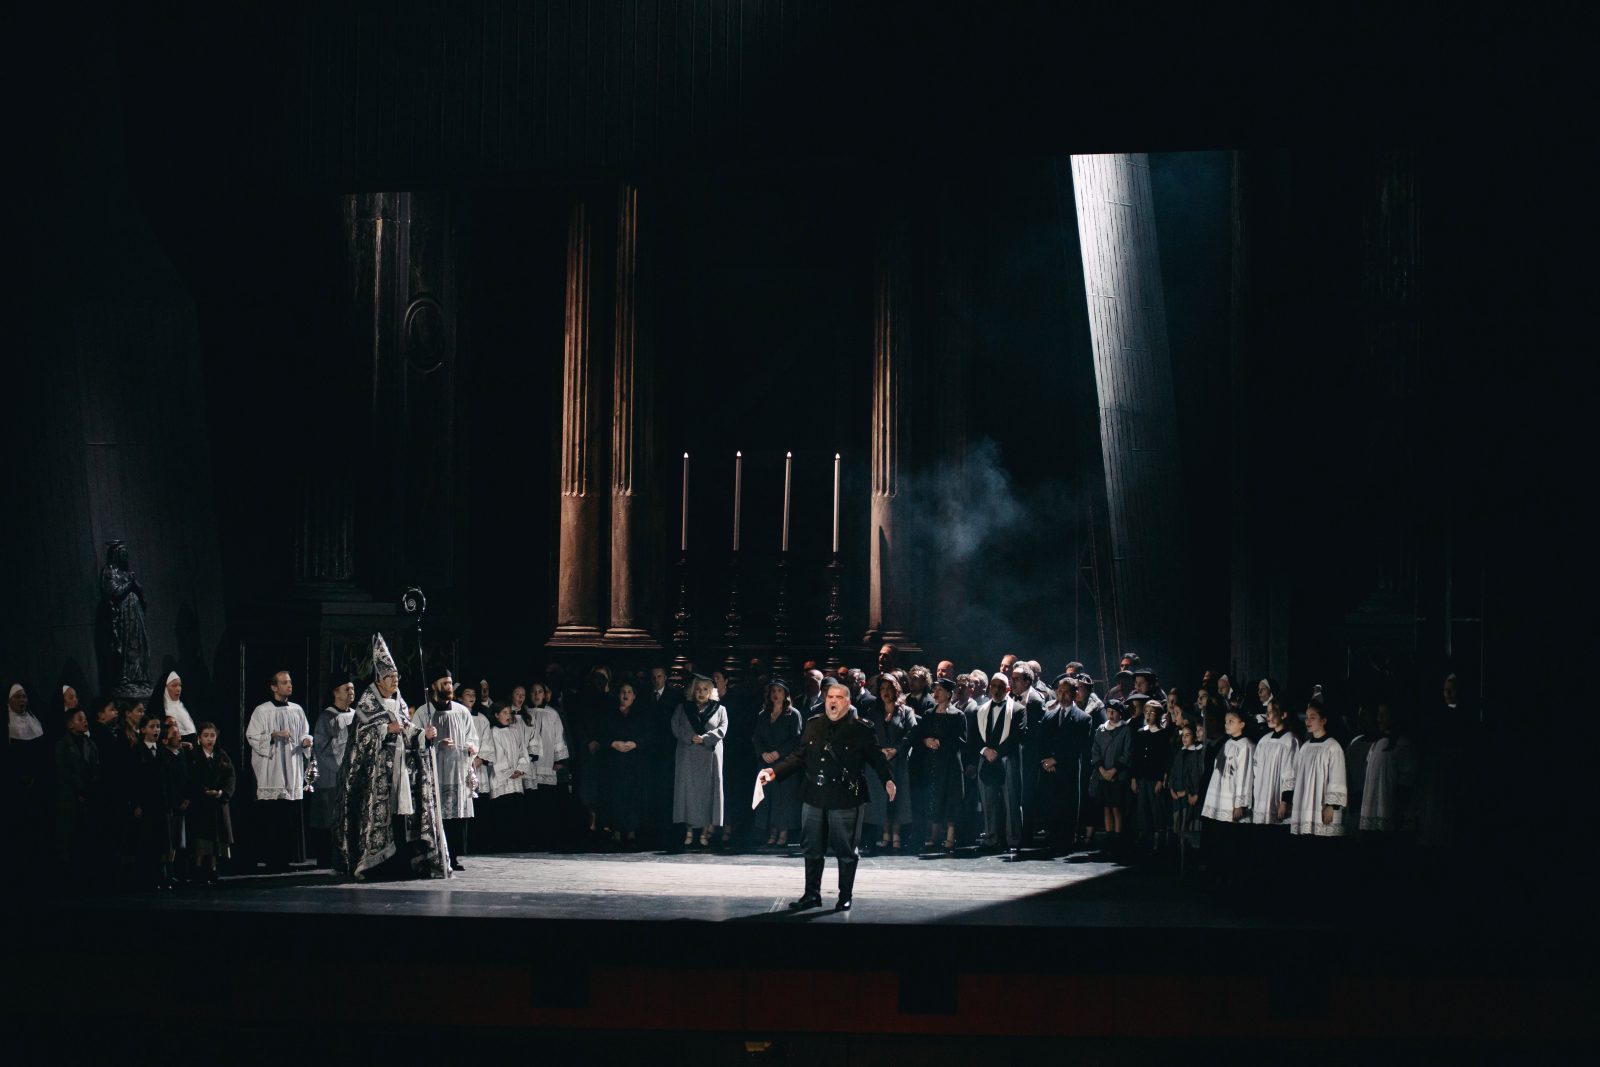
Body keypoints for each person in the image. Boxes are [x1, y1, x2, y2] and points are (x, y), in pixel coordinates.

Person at [758, 677, 897, 911]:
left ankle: (845, 896)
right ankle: (812, 895)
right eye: (830, 697)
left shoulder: (861, 728)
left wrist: (888, 780)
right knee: (812, 847)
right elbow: (798, 756)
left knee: (845, 850)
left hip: (846, 796)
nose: (833, 701)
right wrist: (774, 772)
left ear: (848, 702)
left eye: (838, 698)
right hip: (814, 795)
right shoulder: (814, 724)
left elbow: (876, 758)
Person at [332, 633, 450, 880]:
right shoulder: (367, 705)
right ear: (379, 679)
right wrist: (385, 729)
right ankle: (377, 865)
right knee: (381, 815)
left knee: (401, 816)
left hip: (402, 769)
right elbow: (360, 738)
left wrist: (423, 735)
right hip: (377, 774)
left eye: (397, 677)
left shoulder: (399, 702)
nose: (395, 681)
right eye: (390, 677)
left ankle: (403, 862)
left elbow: (408, 729)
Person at [245, 671, 312, 873]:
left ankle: (286, 859)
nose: (289, 686)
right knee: (273, 817)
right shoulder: (262, 711)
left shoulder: (297, 710)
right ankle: (272, 860)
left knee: (288, 817)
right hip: (272, 769)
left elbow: (305, 731)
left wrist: (306, 740)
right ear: (274, 687)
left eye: (290, 682)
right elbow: (252, 736)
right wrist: (273, 735)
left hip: (291, 767)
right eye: (284, 683)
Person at [413, 667, 479, 871]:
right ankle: (433, 855)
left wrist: (471, 746)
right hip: (435, 771)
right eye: (445, 684)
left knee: (456, 816)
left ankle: (454, 857)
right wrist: (432, 742)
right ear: (434, 686)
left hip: (457, 770)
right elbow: (413, 738)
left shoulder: (461, 711)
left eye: (450, 683)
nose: (449, 687)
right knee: (436, 815)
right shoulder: (424, 712)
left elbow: (472, 736)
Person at [910, 676, 967, 853]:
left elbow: (962, 740)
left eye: (940, 690)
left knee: (950, 798)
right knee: (934, 797)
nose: (935, 692)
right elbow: (919, 735)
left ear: (949, 694)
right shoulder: (929, 714)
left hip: (950, 764)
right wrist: (926, 741)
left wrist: (942, 742)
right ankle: (933, 834)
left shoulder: (958, 715)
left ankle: (950, 835)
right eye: (935, 689)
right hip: (932, 763)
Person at [1200, 707, 1255, 884]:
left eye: (1231, 721)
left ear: (1242, 724)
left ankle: (1232, 879)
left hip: (1232, 803)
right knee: (1220, 841)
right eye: (1225, 721)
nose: (1226, 724)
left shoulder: (1246, 746)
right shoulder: (1227, 743)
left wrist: (1239, 804)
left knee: (1232, 843)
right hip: (1220, 800)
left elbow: (1245, 775)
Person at [671, 675, 727, 848]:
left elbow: (722, 729)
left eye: (705, 689)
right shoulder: (683, 708)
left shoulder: (720, 709)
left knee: (707, 794)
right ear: (692, 691)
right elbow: (675, 726)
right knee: (689, 793)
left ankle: (704, 833)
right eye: (698, 689)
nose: (701, 693)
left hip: (709, 756)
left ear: (710, 692)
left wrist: (705, 738)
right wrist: (690, 737)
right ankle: (689, 832)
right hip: (688, 755)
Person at [974, 673, 1026, 853]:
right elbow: (975, 736)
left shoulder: (1017, 709)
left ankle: (1013, 839)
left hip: (1006, 759)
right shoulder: (981, 710)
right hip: (986, 759)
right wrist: (985, 751)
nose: (996, 690)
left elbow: (1017, 735)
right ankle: (991, 838)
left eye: (1000, 687)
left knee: (1010, 800)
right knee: (988, 801)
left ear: (1008, 689)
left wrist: (997, 752)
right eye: (994, 686)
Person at [1042, 674, 1093, 853]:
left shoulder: (1083, 718)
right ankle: (1053, 837)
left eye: (1066, 692)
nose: (1062, 695)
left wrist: (1056, 760)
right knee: (1051, 803)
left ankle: (1067, 840)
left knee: (1068, 805)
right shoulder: (1049, 716)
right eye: (1060, 691)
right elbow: (1043, 742)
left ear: (1075, 693)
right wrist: (1046, 761)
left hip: (1069, 770)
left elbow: (1079, 746)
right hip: (1050, 770)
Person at [865, 674, 916, 852]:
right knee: (881, 799)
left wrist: (896, 750)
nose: (886, 692)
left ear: (896, 690)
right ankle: (885, 834)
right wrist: (879, 752)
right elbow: (867, 735)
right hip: (879, 762)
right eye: (882, 689)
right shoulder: (873, 712)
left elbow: (911, 734)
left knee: (898, 799)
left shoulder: (906, 711)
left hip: (899, 762)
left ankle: (896, 835)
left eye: (889, 688)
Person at [308, 678, 356, 865]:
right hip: (332, 777)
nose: (351, 692)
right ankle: (328, 857)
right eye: (347, 689)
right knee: (329, 817)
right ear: (336, 692)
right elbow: (322, 747)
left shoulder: (356, 715)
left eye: (352, 689)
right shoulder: (326, 717)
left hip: (352, 776)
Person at [750, 680, 803, 848]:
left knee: (784, 799)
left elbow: (796, 739)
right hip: (766, 762)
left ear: (785, 694)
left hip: (784, 763)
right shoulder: (763, 714)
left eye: (779, 691)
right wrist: (763, 753)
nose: (776, 694)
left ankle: (783, 833)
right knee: (768, 798)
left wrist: (778, 753)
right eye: (773, 690)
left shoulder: (793, 714)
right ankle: (771, 832)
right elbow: (756, 737)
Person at [476, 703, 531, 853]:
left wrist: (520, 768)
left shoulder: (515, 732)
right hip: (500, 780)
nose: (508, 715)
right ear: (496, 715)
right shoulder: (493, 732)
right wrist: (508, 771)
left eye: (510, 713)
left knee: (516, 811)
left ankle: (517, 843)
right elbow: (497, 755)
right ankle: (503, 844)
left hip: (516, 780)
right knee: (503, 812)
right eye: (504, 712)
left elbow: (523, 752)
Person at [601, 681, 650, 847]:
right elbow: (602, 733)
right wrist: (612, 743)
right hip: (615, 762)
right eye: (623, 691)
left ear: (634, 696)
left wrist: (635, 744)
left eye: (629, 692)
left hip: (634, 762)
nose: (626, 695)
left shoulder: (641, 714)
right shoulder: (610, 714)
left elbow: (649, 735)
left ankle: (631, 830)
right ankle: (616, 830)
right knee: (615, 795)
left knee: (633, 795)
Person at [54, 706, 100, 880]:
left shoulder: (91, 744)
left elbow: (96, 768)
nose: (85, 722)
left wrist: (89, 789)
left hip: (88, 797)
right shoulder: (62, 745)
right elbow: (65, 771)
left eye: (85, 719)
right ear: (70, 725)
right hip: (69, 798)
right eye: (80, 719)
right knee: (68, 838)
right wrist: (79, 789)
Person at [521, 682, 569, 851]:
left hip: (547, 763)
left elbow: (558, 737)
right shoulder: (524, 713)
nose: (536, 695)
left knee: (547, 804)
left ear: (545, 694)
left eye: (540, 692)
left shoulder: (552, 714)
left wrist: (559, 760)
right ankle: (531, 840)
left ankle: (547, 839)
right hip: (529, 766)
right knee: (531, 803)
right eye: (533, 692)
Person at [186, 722, 235, 884]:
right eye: (206, 736)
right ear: (199, 738)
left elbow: (230, 777)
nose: (209, 739)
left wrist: (222, 792)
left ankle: (214, 868)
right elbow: (191, 777)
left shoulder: (222, 755)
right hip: (201, 804)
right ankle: (198, 868)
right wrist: (202, 790)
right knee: (201, 838)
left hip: (218, 803)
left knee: (216, 838)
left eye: (212, 736)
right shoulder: (194, 756)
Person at [1089, 698, 1133, 845]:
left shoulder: (1125, 730)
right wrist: (1102, 770)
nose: (1111, 715)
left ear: (1120, 714)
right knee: (1106, 808)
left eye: (1114, 712)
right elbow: (1095, 751)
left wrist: (1114, 771)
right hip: (1103, 776)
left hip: (1118, 776)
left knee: (1116, 808)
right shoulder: (1101, 729)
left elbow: (1127, 753)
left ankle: (1118, 837)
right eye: (1108, 712)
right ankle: (1109, 838)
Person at [1130, 698, 1170, 853]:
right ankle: (1145, 842)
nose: (1148, 715)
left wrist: (1160, 779)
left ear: (1158, 715)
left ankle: (1159, 843)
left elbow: (1164, 759)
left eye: (1152, 712)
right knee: (1142, 810)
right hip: (1142, 778)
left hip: (1154, 778)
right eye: (1146, 712)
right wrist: (1134, 778)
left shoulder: (1162, 734)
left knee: (1157, 810)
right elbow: (1136, 757)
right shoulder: (1141, 733)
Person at [153, 670, 197, 745]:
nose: (178, 689)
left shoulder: (185, 706)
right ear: (165, 688)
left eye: (180, 685)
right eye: (174, 685)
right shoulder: (159, 709)